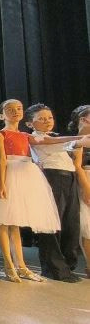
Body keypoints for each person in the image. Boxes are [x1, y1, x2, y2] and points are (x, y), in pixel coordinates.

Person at [0, 99, 84, 283]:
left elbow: (50, 140)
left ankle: (21, 265)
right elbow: (0, 158)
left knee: (15, 222)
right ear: (2, 115)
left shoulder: (25, 135)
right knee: (4, 220)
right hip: (10, 174)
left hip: (24, 175)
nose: (15, 111)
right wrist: (0, 180)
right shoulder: (0, 133)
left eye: (19, 108)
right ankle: (9, 266)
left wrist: (76, 139)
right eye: (10, 109)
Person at [26, 103, 83, 282]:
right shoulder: (33, 137)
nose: (47, 121)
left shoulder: (58, 137)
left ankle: (68, 265)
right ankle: (54, 268)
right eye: (42, 119)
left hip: (69, 177)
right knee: (52, 224)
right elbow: (54, 143)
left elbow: (75, 147)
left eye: (49, 118)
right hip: (52, 177)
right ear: (30, 123)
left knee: (71, 223)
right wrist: (80, 137)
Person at [68, 105, 90, 278]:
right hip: (85, 179)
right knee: (88, 227)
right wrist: (87, 189)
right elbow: (77, 166)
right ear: (83, 119)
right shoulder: (77, 140)